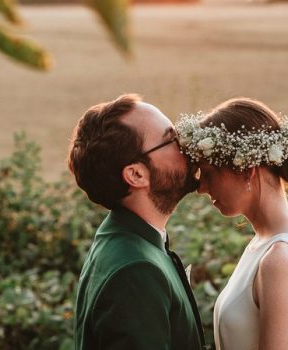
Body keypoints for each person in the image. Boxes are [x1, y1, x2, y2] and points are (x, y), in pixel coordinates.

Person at [175, 97, 288, 350]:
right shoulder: (264, 245)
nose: (201, 188)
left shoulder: (281, 259)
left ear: (246, 170)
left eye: (208, 173)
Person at [67, 94, 205, 349]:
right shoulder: (136, 271)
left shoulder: (128, 239)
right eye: (171, 140)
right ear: (136, 174)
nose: (187, 144)